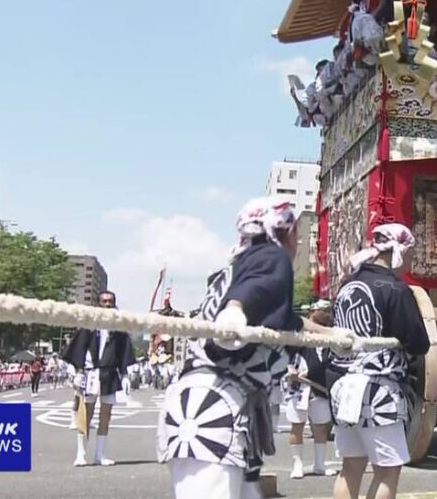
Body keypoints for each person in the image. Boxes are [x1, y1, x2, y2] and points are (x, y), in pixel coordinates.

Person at [159, 197, 316, 499]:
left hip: (212, 401)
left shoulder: (237, 267)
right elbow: (251, 293)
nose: (298, 241)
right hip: (211, 406)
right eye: (297, 232)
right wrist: (234, 311)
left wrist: (338, 336)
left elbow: (293, 321)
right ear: (283, 231)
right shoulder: (271, 257)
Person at [330, 223, 431, 499]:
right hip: (378, 393)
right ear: (400, 249)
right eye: (411, 253)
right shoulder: (394, 288)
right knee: (387, 471)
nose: (411, 260)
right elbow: (419, 343)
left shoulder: (347, 285)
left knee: (349, 468)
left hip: (343, 386)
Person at [61, 290, 137, 467]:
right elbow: (78, 348)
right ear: (98, 303)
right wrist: (77, 372)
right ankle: (81, 454)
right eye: (104, 301)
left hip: (109, 374)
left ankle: (100, 455)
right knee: (85, 415)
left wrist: (125, 375)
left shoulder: (119, 327)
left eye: (110, 301)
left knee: (106, 415)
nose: (107, 304)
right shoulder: (89, 324)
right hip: (90, 373)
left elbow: (123, 352)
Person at [285, 307, 337, 478]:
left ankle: (320, 465)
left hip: (321, 390)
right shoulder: (300, 338)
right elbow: (286, 356)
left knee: (321, 429)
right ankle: (297, 464)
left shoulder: (332, 341)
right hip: (299, 388)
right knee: (297, 427)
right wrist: (290, 370)